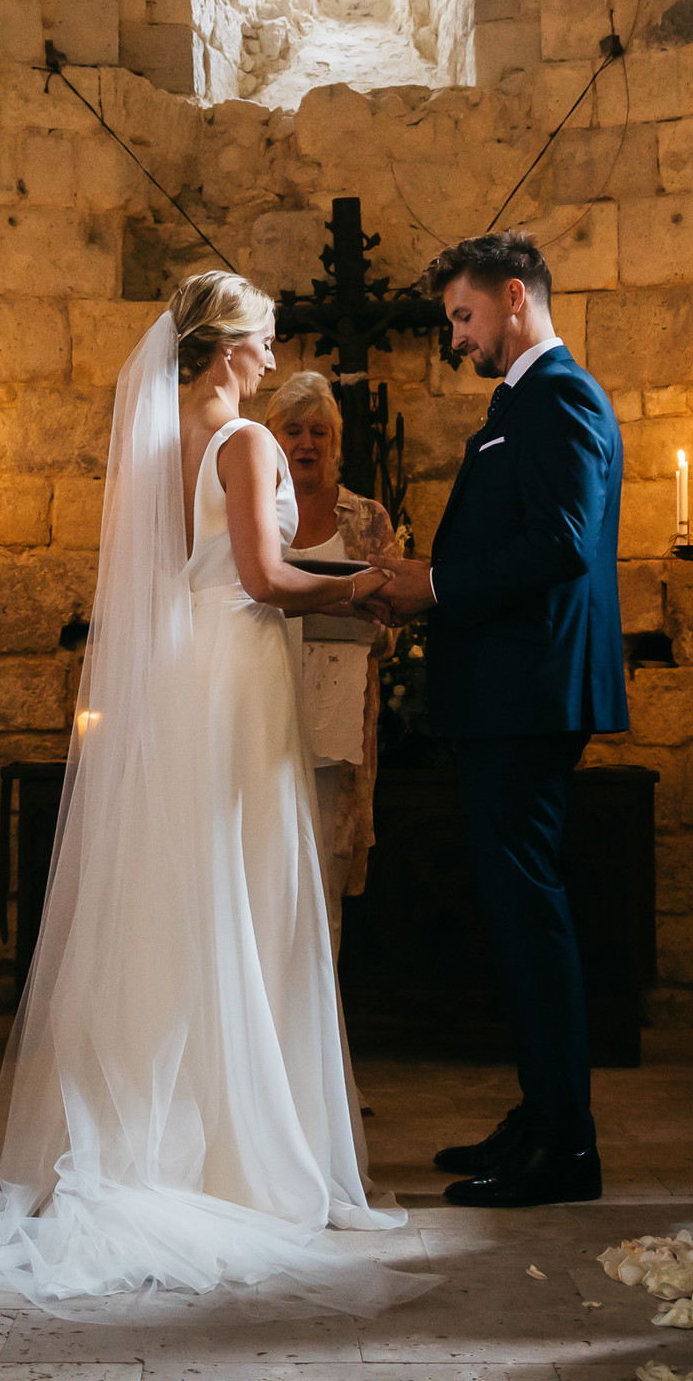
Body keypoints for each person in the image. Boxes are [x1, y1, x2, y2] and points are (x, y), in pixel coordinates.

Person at [0, 273, 432, 1320]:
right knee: (255, 892)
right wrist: (365, 583)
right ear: (233, 345)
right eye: (269, 336)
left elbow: (191, 572)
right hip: (240, 668)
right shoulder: (242, 443)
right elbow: (259, 577)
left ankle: (189, 1132)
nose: (277, 351)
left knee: (198, 893)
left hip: (190, 671)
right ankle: (245, 1159)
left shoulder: (161, 441)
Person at [375, 231, 627, 1208]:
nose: (457, 337)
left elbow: (561, 544)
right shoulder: (519, 402)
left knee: (531, 919)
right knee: (521, 915)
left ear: (514, 298)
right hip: (507, 692)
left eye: (464, 317)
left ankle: (566, 1147)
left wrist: (432, 584)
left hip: (527, 697)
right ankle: (541, 1116)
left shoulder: (559, 394)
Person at [266, 370, 401, 956]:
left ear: (335, 442)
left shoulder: (366, 519)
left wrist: (347, 615)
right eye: (293, 430)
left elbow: (391, 627)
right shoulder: (254, 514)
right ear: (272, 439)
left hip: (337, 719)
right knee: (261, 871)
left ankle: (317, 1037)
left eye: (319, 431)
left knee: (322, 878)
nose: (306, 444)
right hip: (264, 705)